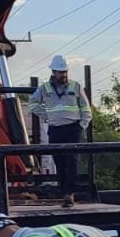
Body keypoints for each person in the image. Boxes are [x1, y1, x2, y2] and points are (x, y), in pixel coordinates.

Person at [26, 55, 91, 198]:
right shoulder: (45, 88)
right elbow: (32, 103)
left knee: (72, 160)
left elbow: (86, 108)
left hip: (73, 128)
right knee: (59, 161)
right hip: (55, 129)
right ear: (54, 72)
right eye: (61, 72)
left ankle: (70, 193)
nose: (64, 75)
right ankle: (63, 192)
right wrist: (46, 115)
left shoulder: (75, 86)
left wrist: (82, 125)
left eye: (65, 71)